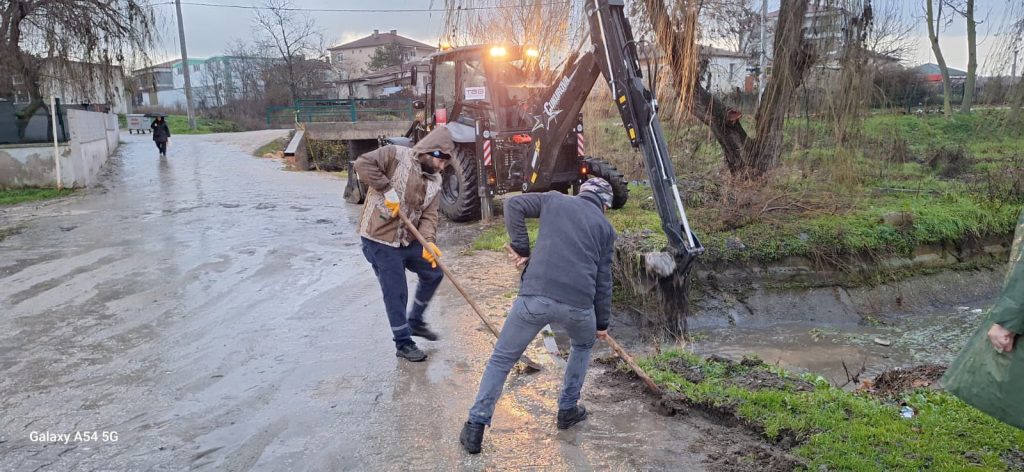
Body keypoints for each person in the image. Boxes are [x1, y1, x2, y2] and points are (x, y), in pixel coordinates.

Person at [459, 177, 617, 454]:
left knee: (502, 359)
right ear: (605, 204)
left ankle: (475, 426)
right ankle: (567, 411)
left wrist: (521, 247)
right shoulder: (606, 228)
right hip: (579, 306)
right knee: (582, 346)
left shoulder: (555, 199)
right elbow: (604, 280)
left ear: (583, 193)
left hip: (535, 297)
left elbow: (513, 204)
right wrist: (601, 323)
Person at [354, 126, 455, 362]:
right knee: (396, 290)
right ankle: (403, 342)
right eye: (439, 161)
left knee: (433, 273)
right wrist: (386, 190)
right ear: (429, 151)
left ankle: (415, 321)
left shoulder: (435, 180)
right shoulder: (395, 155)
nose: (441, 168)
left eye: (445, 164)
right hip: (379, 237)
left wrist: (428, 241)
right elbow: (362, 164)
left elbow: (430, 215)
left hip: (407, 239)